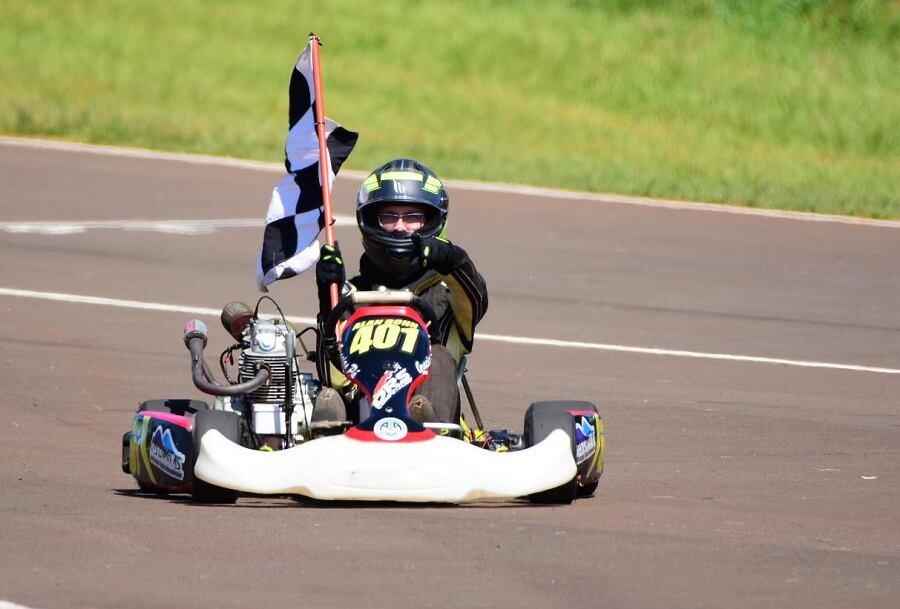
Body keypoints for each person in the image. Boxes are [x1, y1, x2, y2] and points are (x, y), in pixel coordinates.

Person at [314, 158, 488, 424]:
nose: (399, 227)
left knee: (439, 355)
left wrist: (452, 259)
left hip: (434, 434)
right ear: (370, 220)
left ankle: (427, 426)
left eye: (412, 217)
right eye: (389, 217)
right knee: (325, 395)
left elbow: (476, 298)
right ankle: (324, 436)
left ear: (431, 221)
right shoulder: (352, 296)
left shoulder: (447, 295)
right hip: (356, 424)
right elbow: (335, 377)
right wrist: (328, 294)